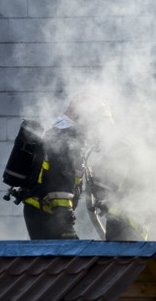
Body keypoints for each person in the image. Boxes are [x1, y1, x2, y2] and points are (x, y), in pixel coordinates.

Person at [21, 93, 113, 240]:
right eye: (97, 123)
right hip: (46, 213)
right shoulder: (65, 140)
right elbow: (60, 184)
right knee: (67, 259)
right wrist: (65, 219)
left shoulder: (70, 138)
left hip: (50, 213)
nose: (98, 131)